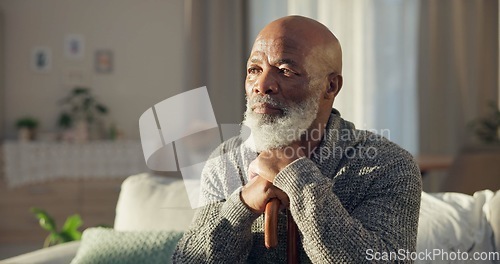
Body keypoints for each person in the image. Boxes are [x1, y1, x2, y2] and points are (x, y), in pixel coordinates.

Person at [173, 15, 422, 263]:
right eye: (254, 70)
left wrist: (298, 177)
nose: (262, 84)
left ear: (331, 86)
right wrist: (243, 204)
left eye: (286, 71)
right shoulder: (225, 160)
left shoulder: (388, 164)